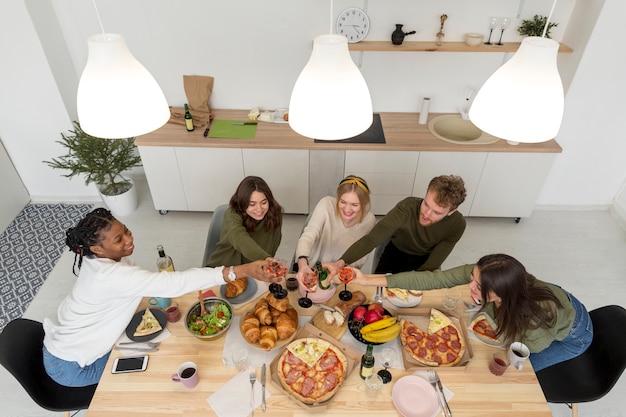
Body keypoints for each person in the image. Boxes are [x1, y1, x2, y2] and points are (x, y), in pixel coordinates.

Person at [42, 208, 280, 388]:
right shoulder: (111, 275)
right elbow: (173, 284)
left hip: (74, 342)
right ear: (97, 249)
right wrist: (239, 271)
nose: (128, 238)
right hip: (73, 364)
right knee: (142, 382)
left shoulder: (96, 260)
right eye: (119, 240)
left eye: (125, 229)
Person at [350, 253, 593, 372]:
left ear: (501, 293)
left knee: (519, 374)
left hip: (572, 333)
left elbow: (525, 350)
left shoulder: (535, 319)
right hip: (546, 296)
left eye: (479, 287)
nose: (470, 288)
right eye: (472, 279)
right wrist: (367, 280)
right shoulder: (489, 272)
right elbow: (432, 279)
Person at [328, 175, 467, 275]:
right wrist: (341, 262)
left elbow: (433, 264)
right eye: (426, 204)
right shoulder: (407, 207)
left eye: (436, 212)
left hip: (425, 260)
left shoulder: (457, 225)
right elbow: (372, 239)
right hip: (394, 252)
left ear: (451, 211)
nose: (426, 213)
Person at [294, 175, 376, 282]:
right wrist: (303, 264)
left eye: (354, 205)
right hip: (312, 268)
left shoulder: (369, 220)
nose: (347, 209)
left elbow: (362, 256)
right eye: (342, 202)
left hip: (341, 274)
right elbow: (308, 235)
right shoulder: (326, 204)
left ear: (364, 203)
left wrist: (340, 268)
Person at [206, 176, 283, 267]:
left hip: (257, 269)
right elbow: (239, 237)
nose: (259, 209)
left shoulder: (274, 214)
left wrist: (266, 263)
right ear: (242, 202)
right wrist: (266, 259)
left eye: (263, 202)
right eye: (252, 204)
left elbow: (273, 246)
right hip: (225, 269)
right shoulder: (231, 214)